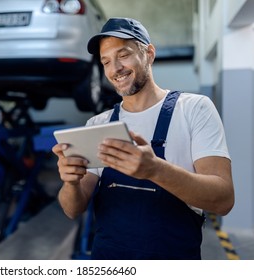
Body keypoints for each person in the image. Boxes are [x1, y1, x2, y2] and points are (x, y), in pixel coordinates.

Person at [52, 17, 235, 260]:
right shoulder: (98, 125)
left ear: (149, 53)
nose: (115, 68)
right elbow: (72, 209)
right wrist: (70, 182)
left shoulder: (194, 109)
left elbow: (223, 200)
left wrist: (155, 170)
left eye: (124, 55)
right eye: (106, 61)